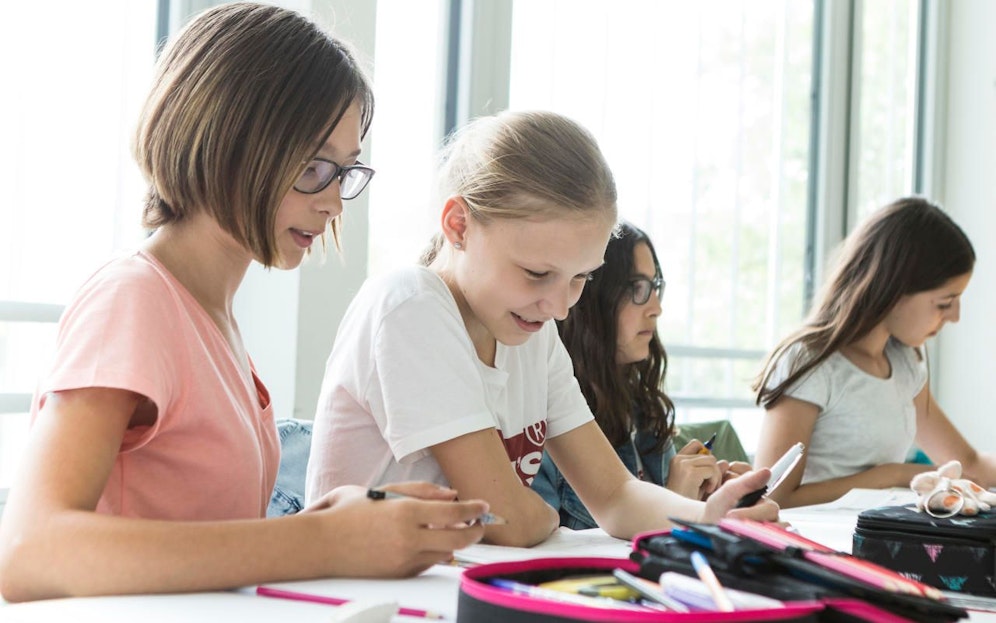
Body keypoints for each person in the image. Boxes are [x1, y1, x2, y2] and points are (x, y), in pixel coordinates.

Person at [0, 3, 488, 603]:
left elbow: (196, 539)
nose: (335, 203)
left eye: (345, 171)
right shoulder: (134, 299)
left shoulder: (214, 321)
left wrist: (332, 527)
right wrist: (324, 541)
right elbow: (28, 551)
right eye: (315, 167)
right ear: (228, 140)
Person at [306, 110, 779, 548]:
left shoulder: (530, 330)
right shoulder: (410, 305)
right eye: (536, 273)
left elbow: (615, 497)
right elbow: (506, 519)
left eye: (581, 278)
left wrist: (707, 516)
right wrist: (542, 515)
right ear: (458, 225)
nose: (558, 307)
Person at [752, 197, 996, 508]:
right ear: (895, 288)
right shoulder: (809, 363)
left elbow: (968, 463)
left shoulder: (904, 364)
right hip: (812, 542)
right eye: (945, 303)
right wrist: (889, 476)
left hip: (878, 534)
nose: (955, 316)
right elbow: (772, 496)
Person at [531, 222, 751, 529]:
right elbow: (543, 554)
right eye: (637, 289)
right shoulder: (543, 418)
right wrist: (677, 506)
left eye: (654, 286)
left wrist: (713, 501)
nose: (656, 308)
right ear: (591, 298)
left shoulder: (643, 408)